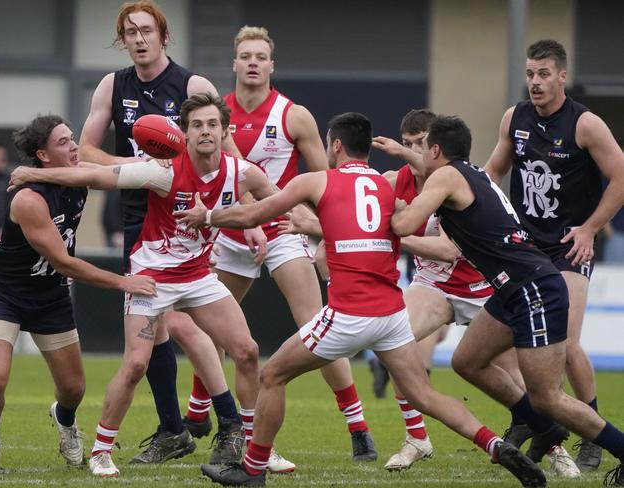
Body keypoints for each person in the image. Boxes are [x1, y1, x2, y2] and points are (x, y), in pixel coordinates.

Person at [177, 112, 546, 488]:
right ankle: (496, 446)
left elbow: (254, 213)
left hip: (349, 314)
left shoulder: (316, 181)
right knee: (425, 395)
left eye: (326, 144)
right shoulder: (389, 187)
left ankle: (253, 470)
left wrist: (207, 215)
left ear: (336, 145)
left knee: (271, 375)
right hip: (392, 315)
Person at [9, 93, 283, 478]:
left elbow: (280, 201)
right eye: (197, 125)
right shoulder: (163, 171)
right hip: (151, 278)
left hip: (199, 276)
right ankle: (102, 452)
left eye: (212, 125)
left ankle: (258, 449)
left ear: (225, 131)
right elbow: (96, 175)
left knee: (248, 351)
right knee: (136, 364)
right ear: (184, 133)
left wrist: (314, 223)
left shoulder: (244, 173)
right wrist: (34, 173)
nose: (205, 131)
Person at [391, 114, 624, 487]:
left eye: (422, 147)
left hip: (533, 287)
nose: (416, 154)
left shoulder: (446, 176)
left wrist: (378, 214)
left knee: (548, 396)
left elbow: (402, 227)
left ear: (435, 150)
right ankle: (543, 428)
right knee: (467, 360)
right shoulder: (471, 173)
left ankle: (617, 447)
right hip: (510, 288)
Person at [182, 26, 377, 468]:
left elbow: (327, 180)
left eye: (260, 57)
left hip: (282, 232)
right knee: (211, 328)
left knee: (316, 328)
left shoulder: (294, 116)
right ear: (233, 64)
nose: (252, 63)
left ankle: (358, 426)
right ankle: (198, 415)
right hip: (228, 235)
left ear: (271, 66)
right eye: (245, 56)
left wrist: (322, 232)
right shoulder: (214, 115)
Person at [78, 0, 245, 464]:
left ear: (163, 35)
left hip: (188, 217)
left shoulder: (192, 85)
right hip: (138, 219)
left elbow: (228, 156)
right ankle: (190, 425)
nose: (138, 38)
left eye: (146, 30)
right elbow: (85, 151)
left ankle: (208, 424)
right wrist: (135, 166)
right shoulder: (113, 86)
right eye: (129, 31)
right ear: (123, 39)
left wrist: (244, 212)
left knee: (183, 327)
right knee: (167, 329)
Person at [0, 115, 156, 475]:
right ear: (42, 155)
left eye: (73, 138)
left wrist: (159, 162)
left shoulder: (78, 176)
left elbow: (120, 172)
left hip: (49, 296)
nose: (74, 146)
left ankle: (64, 419)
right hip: (5, 293)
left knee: (73, 390)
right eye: (63, 142)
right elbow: (64, 262)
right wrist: (123, 282)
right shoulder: (28, 199)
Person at [483, 39, 624, 471]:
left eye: (544, 74)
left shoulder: (586, 124)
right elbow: (492, 174)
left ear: (562, 75)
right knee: (501, 349)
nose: (535, 83)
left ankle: (592, 432)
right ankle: (536, 420)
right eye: (530, 74)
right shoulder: (515, 118)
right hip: (524, 249)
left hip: (568, 248)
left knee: (565, 344)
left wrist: (591, 227)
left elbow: (620, 176)